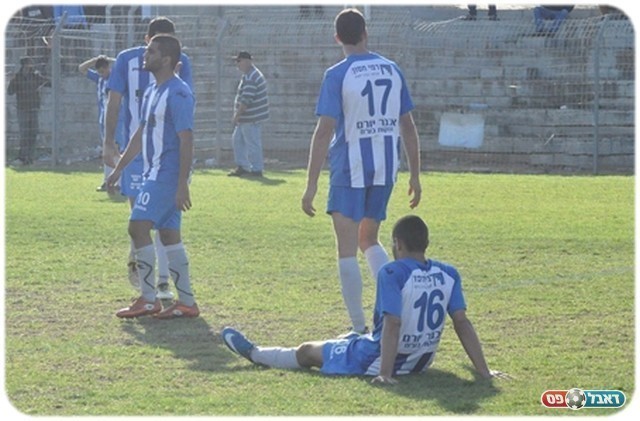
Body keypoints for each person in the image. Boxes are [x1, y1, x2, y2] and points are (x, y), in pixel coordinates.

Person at [222, 215, 509, 383]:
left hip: (383, 359)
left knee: (307, 351)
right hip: (421, 362)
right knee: (356, 339)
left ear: (397, 244)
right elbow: (462, 323)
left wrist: (384, 374)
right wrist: (484, 372)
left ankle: (255, 353)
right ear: (426, 244)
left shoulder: (392, 272)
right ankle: (351, 340)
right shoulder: (448, 273)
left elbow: (393, 323)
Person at [301, 8, 421, 336]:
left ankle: (357, 328)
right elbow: (408, 126)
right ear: (366, 33)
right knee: (368, 239)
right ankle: (398, 310)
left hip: (349, 168)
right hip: (385, 167)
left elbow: (324, 132)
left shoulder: (337, 74)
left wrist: (310, 184)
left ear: (337, 38)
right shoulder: (392, 69)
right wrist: (415, 174)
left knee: (347, 248)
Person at [105, 34, 198, 319]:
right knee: (169, 236)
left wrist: (181, 184)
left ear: (166, 59)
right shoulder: (151, 91)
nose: (145, 56)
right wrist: (119, 168)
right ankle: (187, 303)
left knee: (137, 227)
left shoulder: (178, 93)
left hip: (166, 176)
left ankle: (148, 299)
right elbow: (141, 132)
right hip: (153, 173)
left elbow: (187, 139)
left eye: (151, 52)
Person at [78, 54, 119, 191]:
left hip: (116, 119)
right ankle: (107, 180)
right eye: (99, 72)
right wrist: (95, 60)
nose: (101, 74)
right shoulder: (99, 79)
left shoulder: (116, 77)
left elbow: (122, 63)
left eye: (103, 71)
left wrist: (109, 59)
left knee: (116, 149)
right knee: (107, 149)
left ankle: (118, 181)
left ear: (108, 68)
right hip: (103, 119)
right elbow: (81, 68)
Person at [227, 51, 269, 177]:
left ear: (247, 61)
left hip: (251, 118)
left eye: (239, 61)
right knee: (237, 141)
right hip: (246, 119)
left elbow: (246, 100)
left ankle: (257, 169)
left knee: (252, 144)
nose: (237, 64)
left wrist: (237, 115)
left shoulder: (251, 77)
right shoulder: (249, 75)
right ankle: (243, 166)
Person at [7, 56, 51, 166]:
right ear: (24, 65)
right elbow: (10, 92)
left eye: (31, 64)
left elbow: (49, 83)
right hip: (22, 108)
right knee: (24, 133)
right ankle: (22, 157)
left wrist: (45, 79)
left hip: (34, 108)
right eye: (29, 63)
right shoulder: (17, 77)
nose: (30, 66)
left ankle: (30, 158)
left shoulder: (35, 76)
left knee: (33, 133)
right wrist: (12, 80)